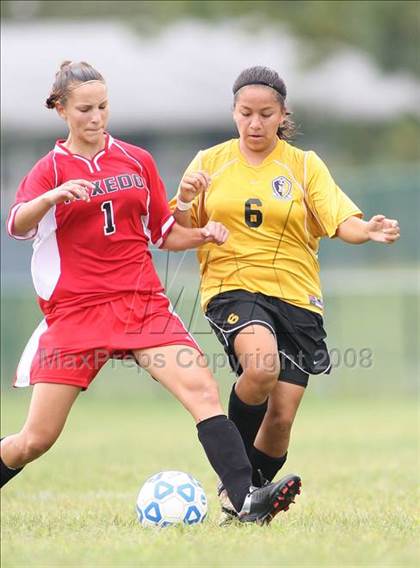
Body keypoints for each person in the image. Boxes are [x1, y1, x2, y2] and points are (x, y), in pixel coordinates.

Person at [0, 61, 302, 525]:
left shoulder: (137, 159)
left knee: (202, 389)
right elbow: (16, 224)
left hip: (142, 305)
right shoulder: (50, 169)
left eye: (102, 106)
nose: (96, 117)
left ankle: (245, 501)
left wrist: (202, 232)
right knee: (34, 440)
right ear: (61, 110)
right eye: (84, 108)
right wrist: (52, 196)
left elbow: (163, 231)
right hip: (77, 314)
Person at [171, 65, 400, 524]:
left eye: (265, 114)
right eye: (245, 113)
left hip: (297, 298)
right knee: (261, 366)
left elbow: (340, 221)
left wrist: (368, 231)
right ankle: (233, 483)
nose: (254, 124)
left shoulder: (303, 164)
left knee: (280, 418)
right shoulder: (208, 162)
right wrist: (181, 197)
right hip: (232, 287)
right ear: (233, 113)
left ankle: (249, 502)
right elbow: (174, 229)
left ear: (282, 115)